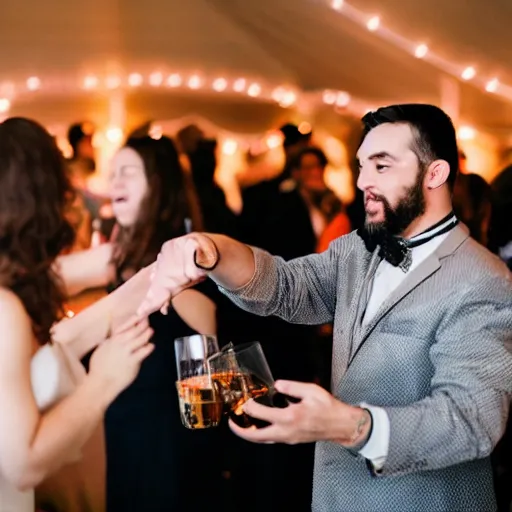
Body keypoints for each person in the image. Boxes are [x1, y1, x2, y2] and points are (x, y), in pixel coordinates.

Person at [139, 104, 512, 512]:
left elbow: (472, 419)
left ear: (435, 174)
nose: (363, 181)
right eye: (361, 165)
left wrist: (348, 425)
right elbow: (285, 285)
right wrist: (210, 249)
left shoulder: (483, 279)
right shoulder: (358, 250)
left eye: (381, 166)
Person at [0, 117, 153, 512]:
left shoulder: (18, 286)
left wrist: (165, 268)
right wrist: (103, 381)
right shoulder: (4, 307)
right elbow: (23, 464)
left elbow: (66, 334)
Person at [64, 134, 223, 511]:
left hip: (168, 451)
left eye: (127, 172)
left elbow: (207, 332)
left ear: (159, 183)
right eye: (112, 173)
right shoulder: (118, 259)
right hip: (120, 442)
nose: (114, 182)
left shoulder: (187, 255)